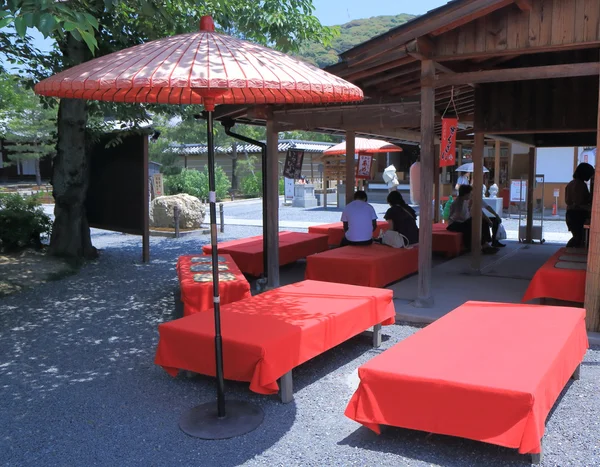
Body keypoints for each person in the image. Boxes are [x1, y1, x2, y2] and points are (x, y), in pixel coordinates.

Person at [447, 185, 498, 254]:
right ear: (466, 194)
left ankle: (486, 243)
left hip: (462, 222)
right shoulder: (457, 203)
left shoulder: (465, 201)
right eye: (470, 193)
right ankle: (484, 245)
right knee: (472, 222)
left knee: (482, 221)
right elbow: (458, 217)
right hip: (454, 224)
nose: (471, 195)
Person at [565, 162, 594, 247]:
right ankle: (569, 251)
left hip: (570, 213)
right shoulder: (580, 185)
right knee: (579, 237)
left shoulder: (571, 183)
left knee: (577, 236)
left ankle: (568, 252)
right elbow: (579, 202)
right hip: (577, 215)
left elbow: (569, 201)